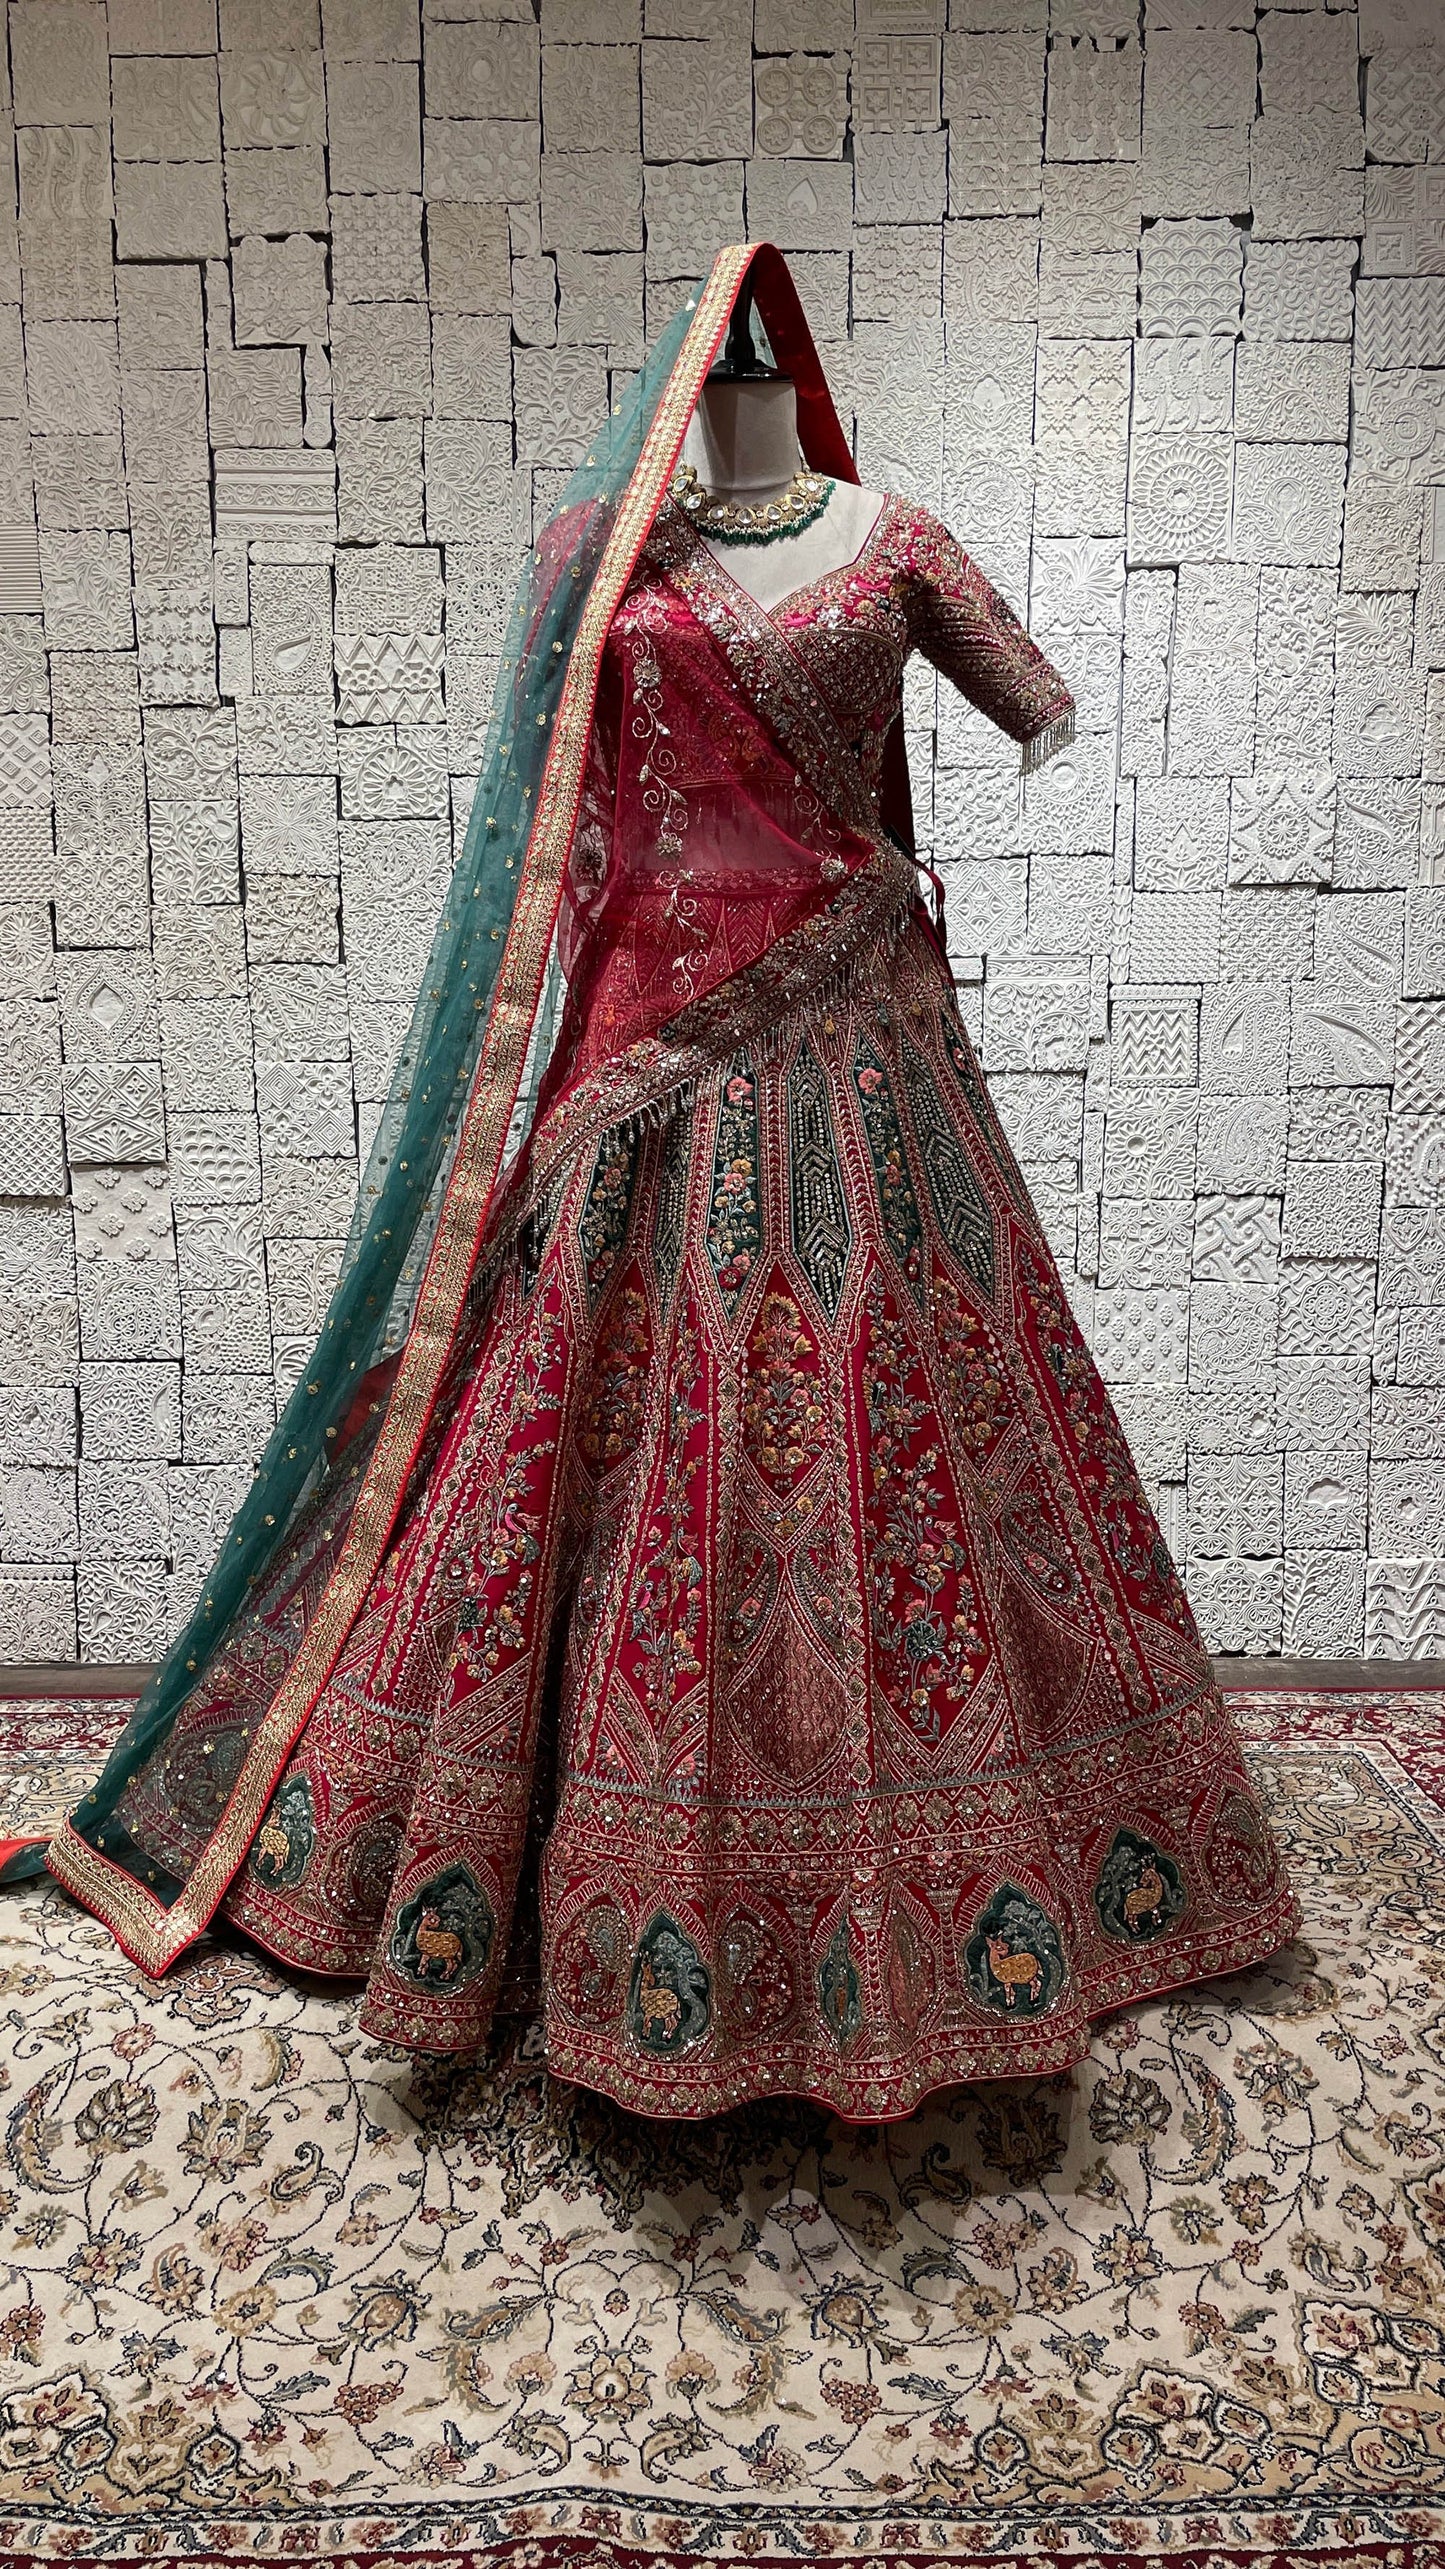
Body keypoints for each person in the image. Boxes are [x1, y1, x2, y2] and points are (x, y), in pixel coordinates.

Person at [8, 244, 1298, 2122]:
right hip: (642, 1075)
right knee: (585, 1451)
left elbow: (1035, 703)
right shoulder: (591, 560)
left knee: (902, 1422)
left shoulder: (896, 545)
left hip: (864, 1056)